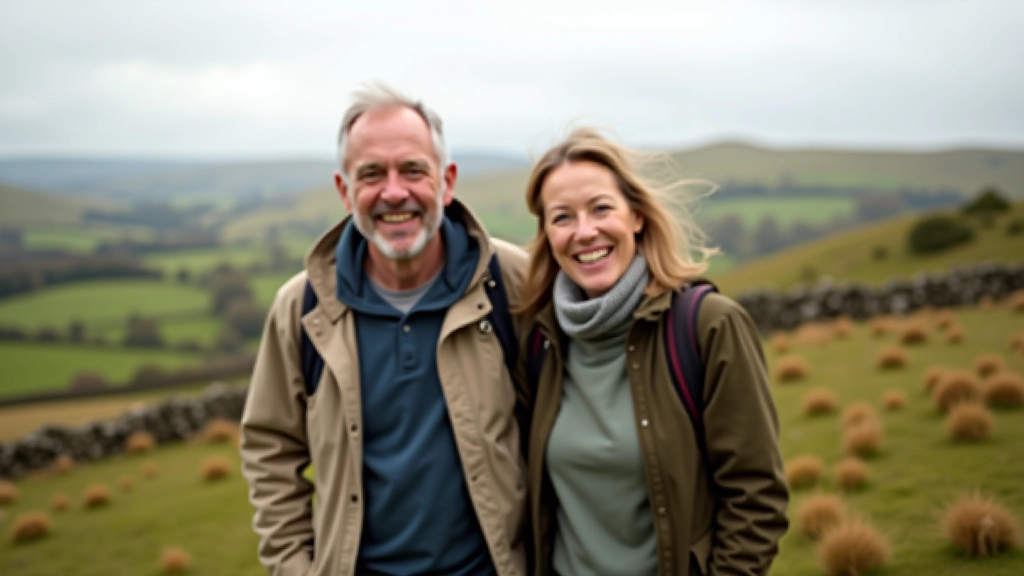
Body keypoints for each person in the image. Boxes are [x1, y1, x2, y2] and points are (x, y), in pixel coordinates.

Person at [240, 83, 530, 576]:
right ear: (344, 190)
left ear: (446, 181)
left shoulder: (511, 281)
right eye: (371, 173)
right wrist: (295, 567)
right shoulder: (302, 306)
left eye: (413, 170)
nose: (394, 192)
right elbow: (270, 450)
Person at [515, 128, 789, 576]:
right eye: (562, 217)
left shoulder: (708, 326)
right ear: (546, 232)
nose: (585, 232)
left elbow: (756, 497)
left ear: (636, 216)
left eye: (601, 208)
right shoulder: (540, 341)